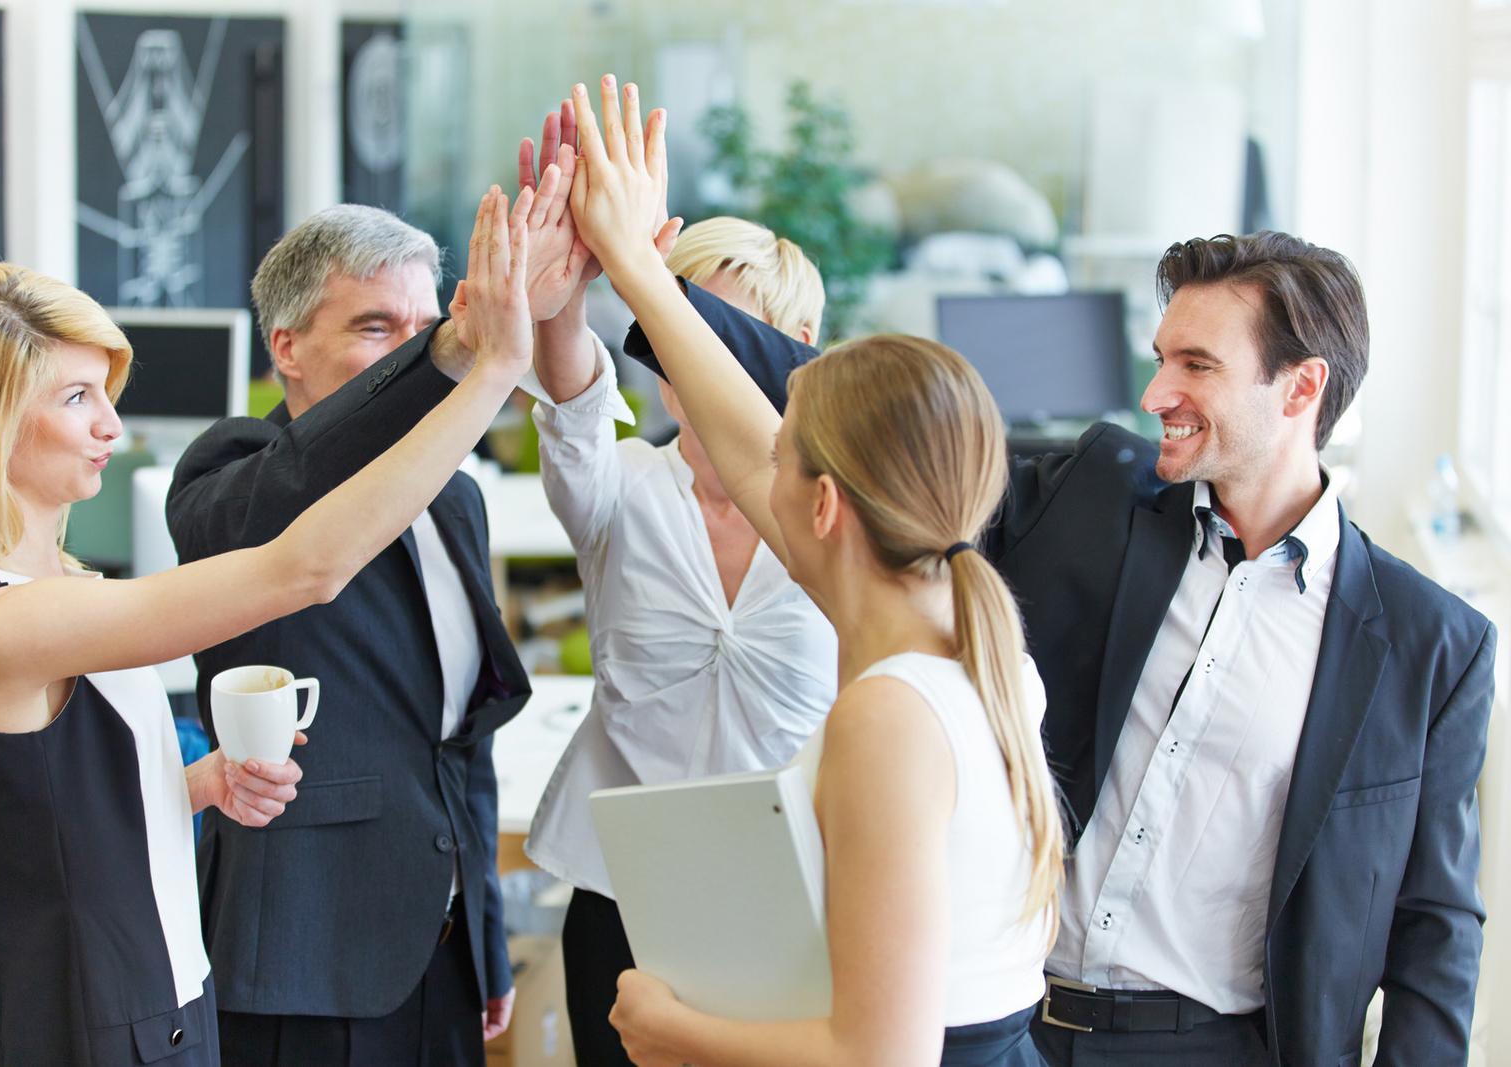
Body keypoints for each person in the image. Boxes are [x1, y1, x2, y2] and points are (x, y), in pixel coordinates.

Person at [626, 221, 1496, 1065]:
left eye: (1197, 365)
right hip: (1012, 1021)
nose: (1156, 394)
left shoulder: (1429, 645)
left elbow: (1435, 933)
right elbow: (873, 432)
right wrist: (651, 285)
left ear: (1301, 387)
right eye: (1161, 359)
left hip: (1214, 1048)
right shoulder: (1100, 495)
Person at [0, 187, 531, 1066]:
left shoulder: (58, 587)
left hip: (159, 1000)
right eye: (78, 395)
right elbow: (303, 569)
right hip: (88, 1021)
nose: (110, 425)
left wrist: (201, 784)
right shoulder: (0, 617)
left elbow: (65, 804)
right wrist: (492, 369)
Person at [564, 75, 1065, 1067]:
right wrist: (629, 266)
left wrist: (669, 1029)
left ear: (825, 504)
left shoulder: (887, 713)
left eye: (785, 451)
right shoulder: (973, 649)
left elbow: (883, 1053)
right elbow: (748, 444)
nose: (759, 464)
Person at [165, 178, 590, 1066]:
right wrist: (446, 351)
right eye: (375, 328)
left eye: (422, 323)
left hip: (438, 953)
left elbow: (457, 741)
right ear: (286, 346)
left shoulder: (456, 499)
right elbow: (302, 490)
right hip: (304, 951)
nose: (411, 351)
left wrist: (480, 932)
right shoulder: (232, 470)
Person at [517, 193, 838, 1063]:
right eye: (669, 320)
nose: (685, 351)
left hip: (793, 893)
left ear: (795, 340)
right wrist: (566, 293)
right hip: (626, 894)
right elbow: (575, 400)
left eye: (715, 326)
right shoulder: (621, 485)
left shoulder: (840, 515)